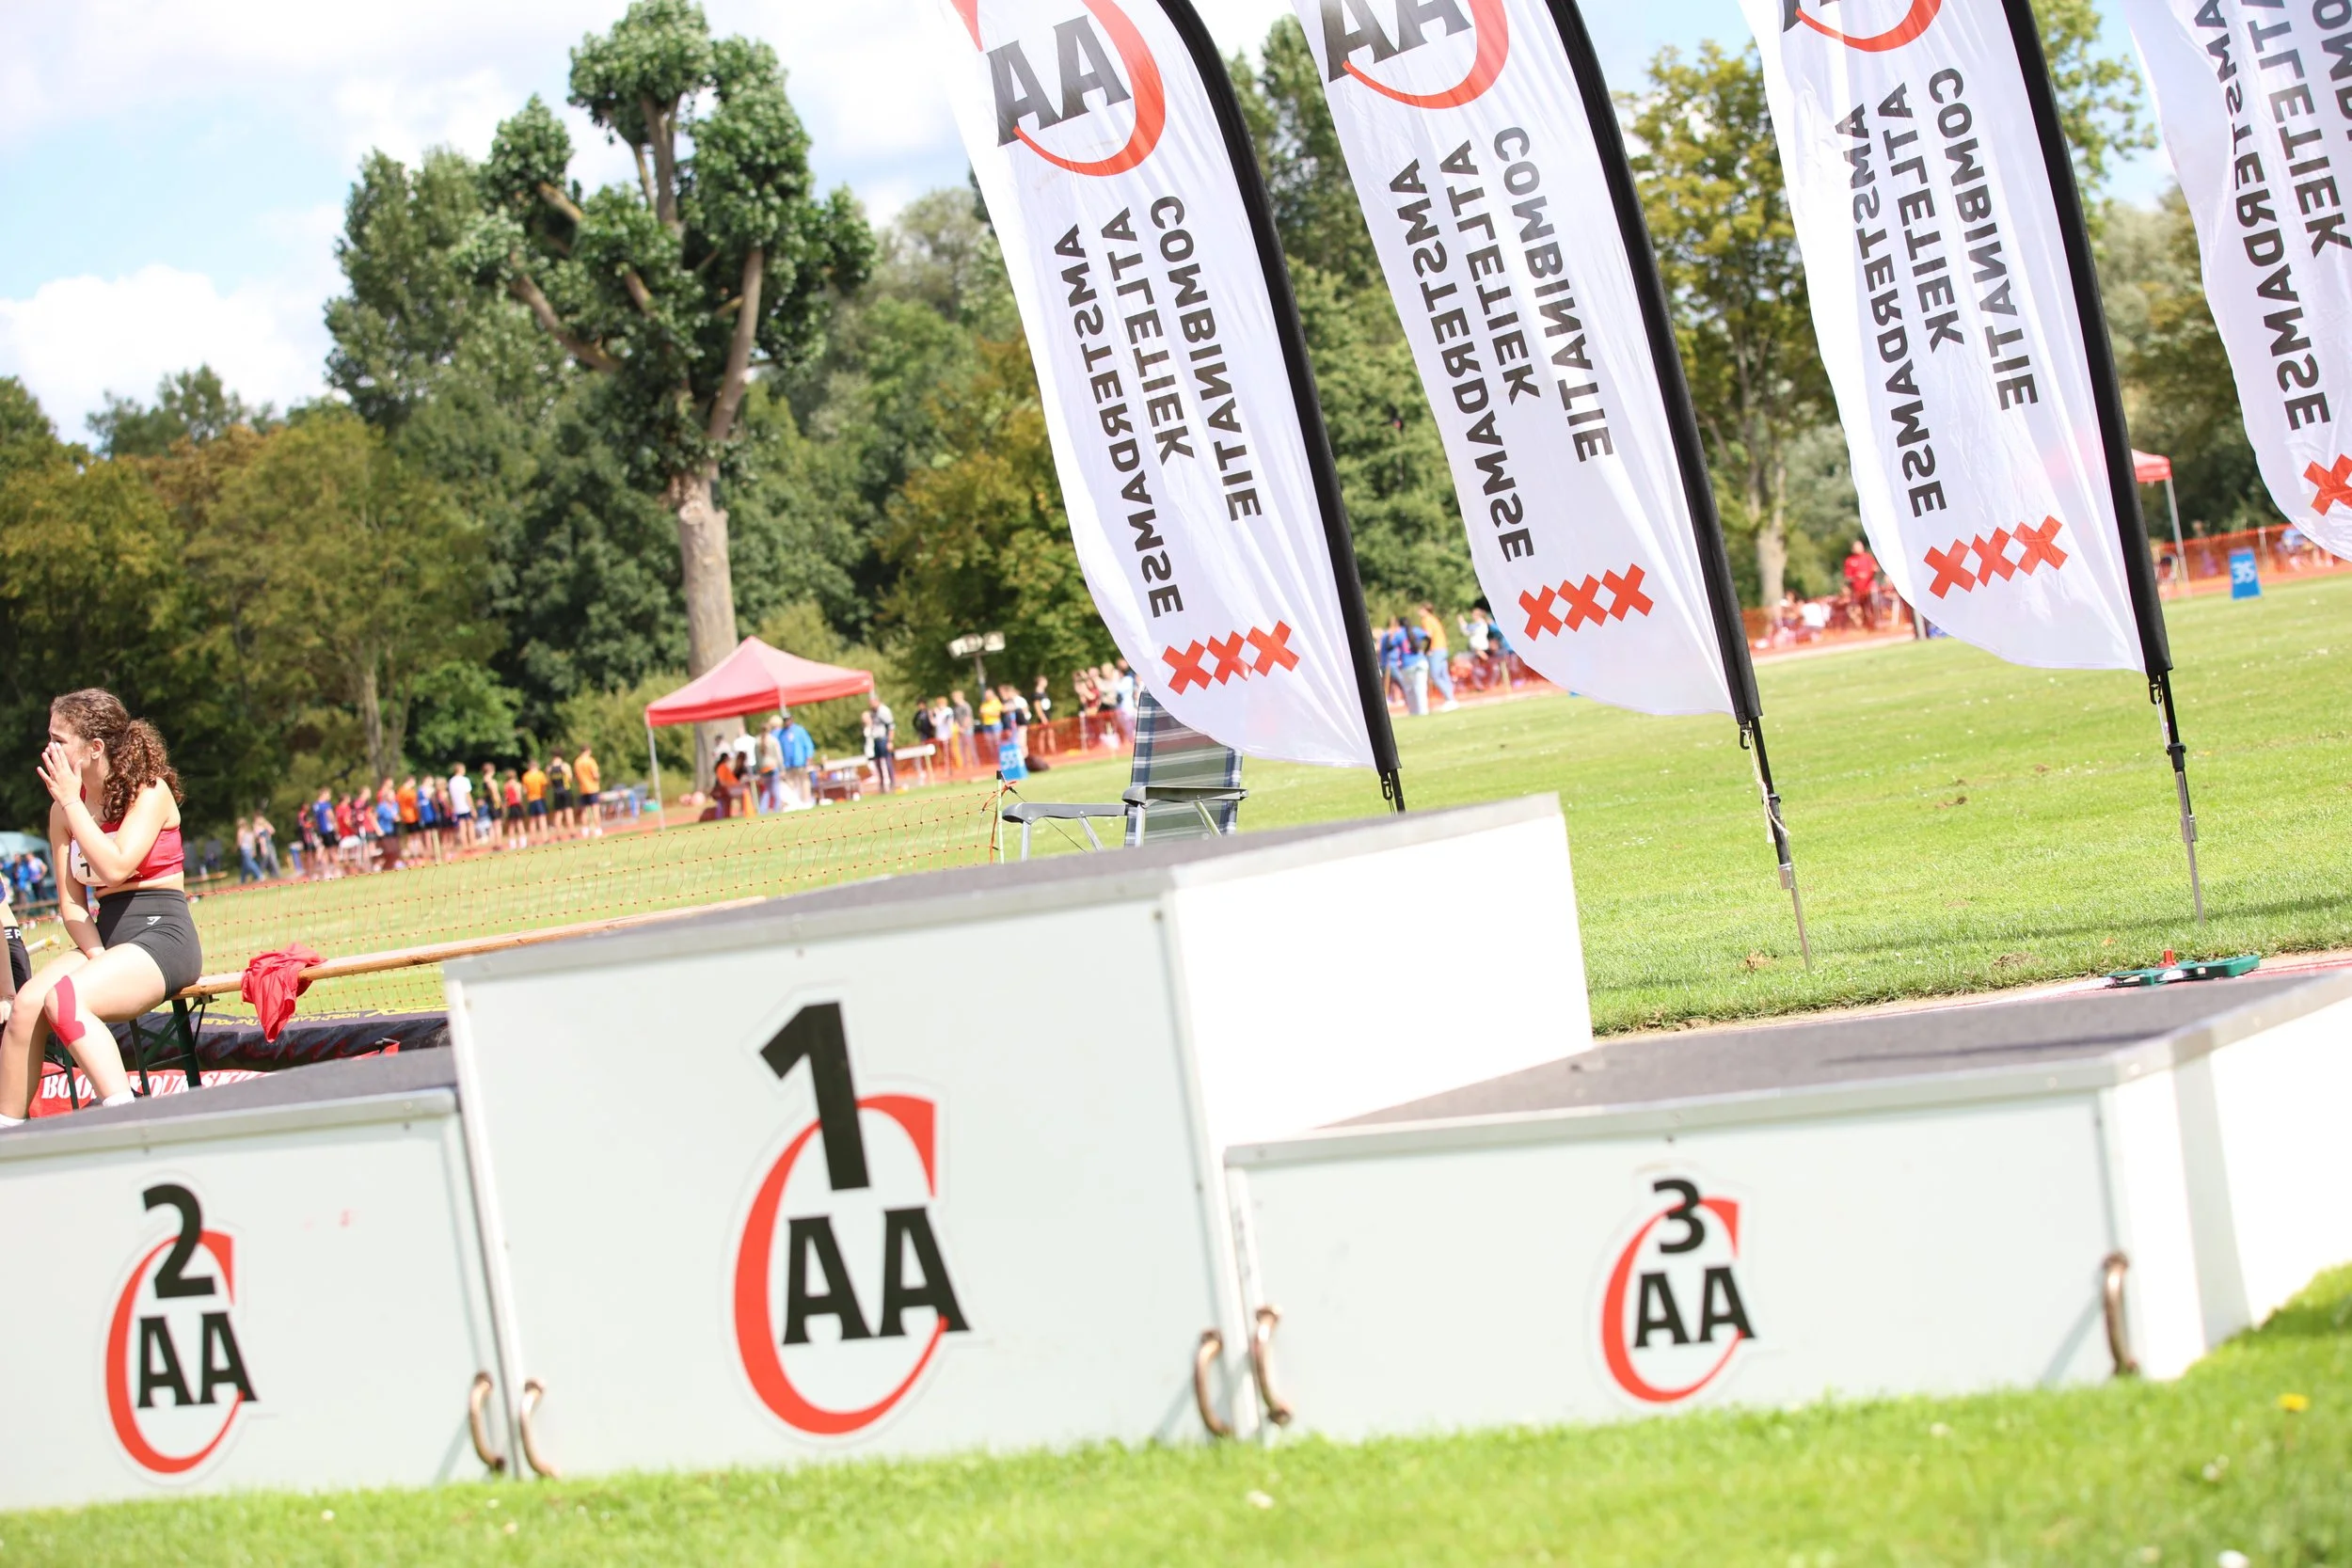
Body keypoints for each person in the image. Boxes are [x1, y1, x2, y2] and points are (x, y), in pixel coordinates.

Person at [1, 689, 202, 1126]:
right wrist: (96, 955)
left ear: (94, 748)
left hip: (162, 936)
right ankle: (8, 1135)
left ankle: (127, 1119)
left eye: (59, 740)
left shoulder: (151, 791)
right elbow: (72, 905)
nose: (49, 750)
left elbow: (115, 867)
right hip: (107, 938)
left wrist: (73, 804)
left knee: (65, 999)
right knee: (25, 1007)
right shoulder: (62, 811)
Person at [1418, 603, 1459, 711]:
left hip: (1435, 649)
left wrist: (1426, 649)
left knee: (1435, 676)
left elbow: (1429, 635)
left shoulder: (1426, 620)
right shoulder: (1434, 619)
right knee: (1444, 675)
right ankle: (1451, 698)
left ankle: (1449, 699)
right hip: (1443, 648)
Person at [863, 695, 897, 793]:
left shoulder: (884, 711)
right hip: (875, 739)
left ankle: (892, 783)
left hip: (884, 739)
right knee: (878, 762)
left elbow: (891, 726)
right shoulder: (872, 712)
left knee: (887, 762)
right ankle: (882, 785)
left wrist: (890, 741)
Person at [1843, 540, 1880, 629]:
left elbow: (1875, 568)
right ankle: (1864, 626)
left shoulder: (1868, 557)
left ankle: (1874, 625)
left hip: (1869, 588)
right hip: (1857, 591)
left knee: (1871, 607)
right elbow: (1847, 577)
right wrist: (1857, 576)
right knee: (1857, 610)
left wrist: (1874, 570)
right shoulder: (1849, 561)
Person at [755, 717, 785, 816]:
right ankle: (777, 810)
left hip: (763, 769)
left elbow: (757, 758)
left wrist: (758, 770)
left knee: (766, 791)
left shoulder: (757, 741)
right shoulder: (773, 740)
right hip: (772, 767)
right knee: (776, 790)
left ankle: (762, 811)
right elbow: (779, 755)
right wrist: (782, 768)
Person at [574, 744, 603, 837]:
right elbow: (595, 775)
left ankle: (585, 830)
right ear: (588, 750)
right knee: (595, 809)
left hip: (583, 788)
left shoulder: (577, 762)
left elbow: (576, 777)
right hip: (593, 788)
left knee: (584, 811)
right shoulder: (590, 761)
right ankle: (598, 829)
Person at [449, 763, 475, 849]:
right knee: (470, 825)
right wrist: (472, 808)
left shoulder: (451, 781)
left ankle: (465, 846)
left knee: (462, 827)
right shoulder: (464, 780)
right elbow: (467, 795)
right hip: (466, 806)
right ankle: (472, 844)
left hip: (457, 807)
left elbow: (451, 796)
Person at [548, 752, 575, 836]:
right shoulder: (565, 766)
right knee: (568, 811)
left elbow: (549, 782)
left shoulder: (549, 768)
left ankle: (558, 835)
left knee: (558, 813)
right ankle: (571, 832)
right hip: (565, 790)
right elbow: (570, 779)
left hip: (556, 791)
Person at [235, 816, 261, 883]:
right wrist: (254, 850)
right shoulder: (249, 831)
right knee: (245, 865)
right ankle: (242, 880)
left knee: (250, 863)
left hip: (245, 849)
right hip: (250, 849)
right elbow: (253, 842)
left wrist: (235, 848)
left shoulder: (240, 831)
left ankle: (259, 875)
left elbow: (239, 842)